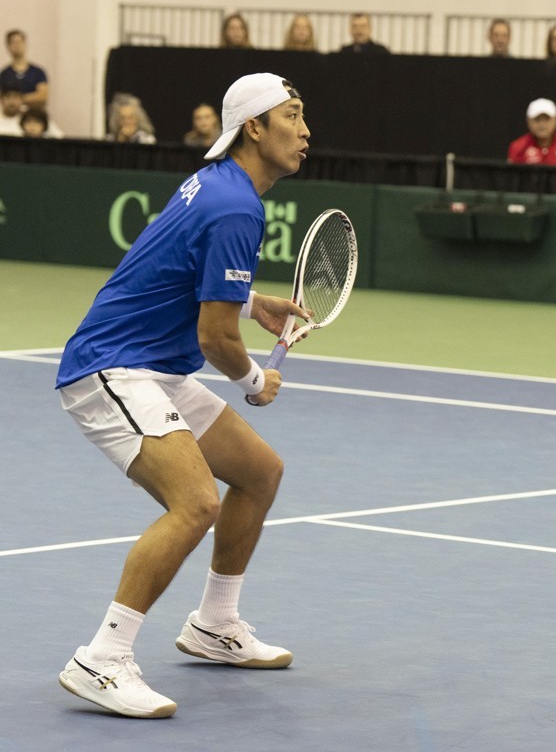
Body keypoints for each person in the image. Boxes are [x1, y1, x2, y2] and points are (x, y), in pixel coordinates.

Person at [55, 72, 312, 718]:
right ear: (254, 126)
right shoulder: (236, 205)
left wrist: (255, 305)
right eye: (293, 114)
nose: (306, 131)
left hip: (155, 367)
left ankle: (214, 624)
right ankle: (102, 659)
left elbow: (181, 274)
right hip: (110, 368)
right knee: (195, 502)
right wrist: (256, 380)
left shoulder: (219, 187)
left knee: (258, 472)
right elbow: (214, 336)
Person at [506, 98, 556, 165]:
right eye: (537, 119)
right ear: (528, 121)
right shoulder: (518, 147)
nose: (542, 124)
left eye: (547, 119)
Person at [3, 29, 49, 110]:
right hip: (10, 118)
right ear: (8, 46)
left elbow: (42, 97)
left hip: (33, 116)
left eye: (19, 42)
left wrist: (17, 100)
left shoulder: (38, 72)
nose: (17, 45)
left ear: (25, 44)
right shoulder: (4, 74)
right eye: (13, 42)